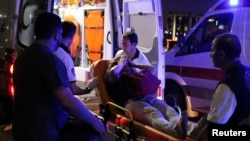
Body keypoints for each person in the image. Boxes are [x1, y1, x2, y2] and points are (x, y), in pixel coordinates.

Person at [12, 13, 106, 141]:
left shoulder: (22, 57)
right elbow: (68, 101)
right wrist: (95, 122)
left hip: (22, 129)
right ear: (57, 34)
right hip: (44, 132)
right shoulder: (50, 61)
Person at [105, 31, 187, 139]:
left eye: (125, 44)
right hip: (132, 102)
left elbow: (152, 69)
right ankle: (175, 130)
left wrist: (133, 65)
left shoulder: (134, 67)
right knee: (154, 113)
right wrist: (122, 64)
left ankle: (183, 127)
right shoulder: (115, 76)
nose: (123, 49)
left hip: (146, 97)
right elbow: (113, 73)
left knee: (169, 110)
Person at [188, 33, 250, 140]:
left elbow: (212, 131)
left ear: (221, 54)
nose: (210, 55)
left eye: (212, 50)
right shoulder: (247, 72)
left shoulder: (227, 86)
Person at [54, 21, 98, 96]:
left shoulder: (51, 50)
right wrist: (88, 89)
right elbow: (74, 90)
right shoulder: (66, 58)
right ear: (72, 36)